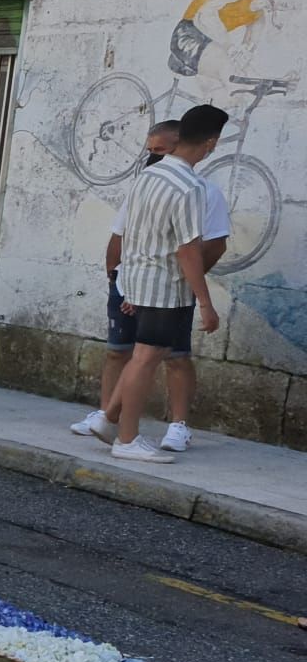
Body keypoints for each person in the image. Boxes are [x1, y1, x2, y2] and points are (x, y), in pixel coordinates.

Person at [93, 104, 227, 463]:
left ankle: (109, 421)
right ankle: (127, 439)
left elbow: (129, 234)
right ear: (211, 143)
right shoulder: (191, 186)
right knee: (146, 358)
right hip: (165, 286)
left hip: (136, 279)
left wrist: (127, 285)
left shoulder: (147, 177)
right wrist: (205, 302)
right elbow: (187, 250)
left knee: (142, 355)